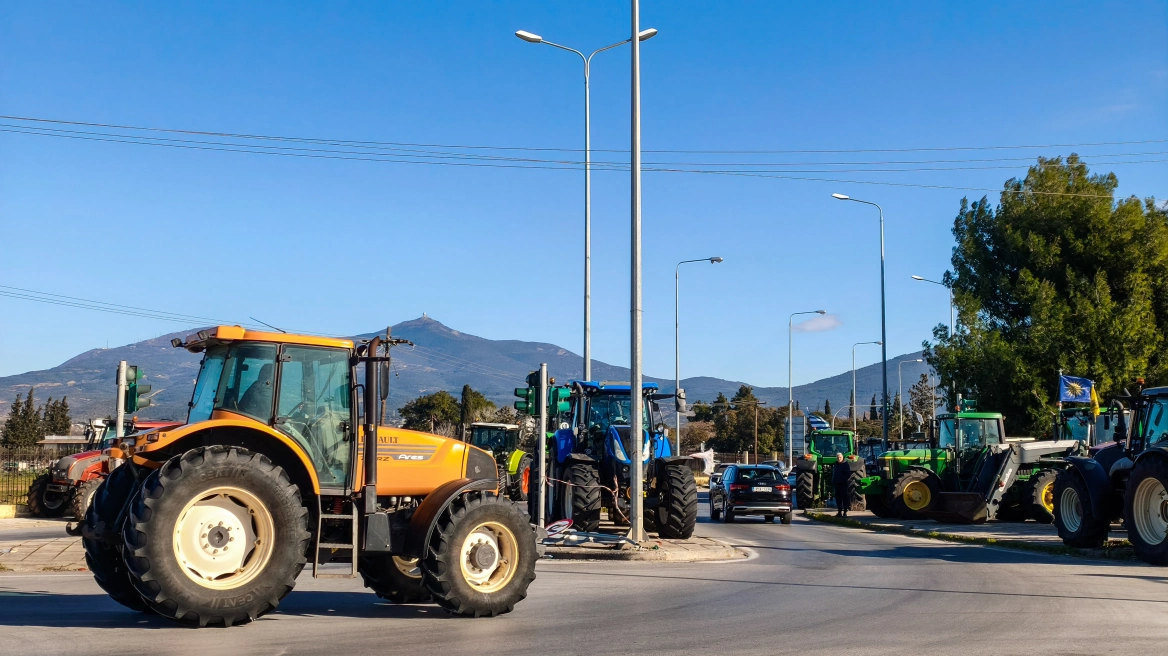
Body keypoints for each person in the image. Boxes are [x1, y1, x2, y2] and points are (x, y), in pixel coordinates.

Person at [831, 452, 851, 518]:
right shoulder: (835, 465)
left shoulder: (845, 464)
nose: (839, 459)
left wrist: (842, 480)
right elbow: (834, 473)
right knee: (838, 499)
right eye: (838, 457)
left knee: (844, 498)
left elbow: (848, 474)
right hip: (837, 484)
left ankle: (845, 512)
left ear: (842, 457)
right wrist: (834, 480)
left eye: (840, 457)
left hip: (843, 484)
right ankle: (839, 512)